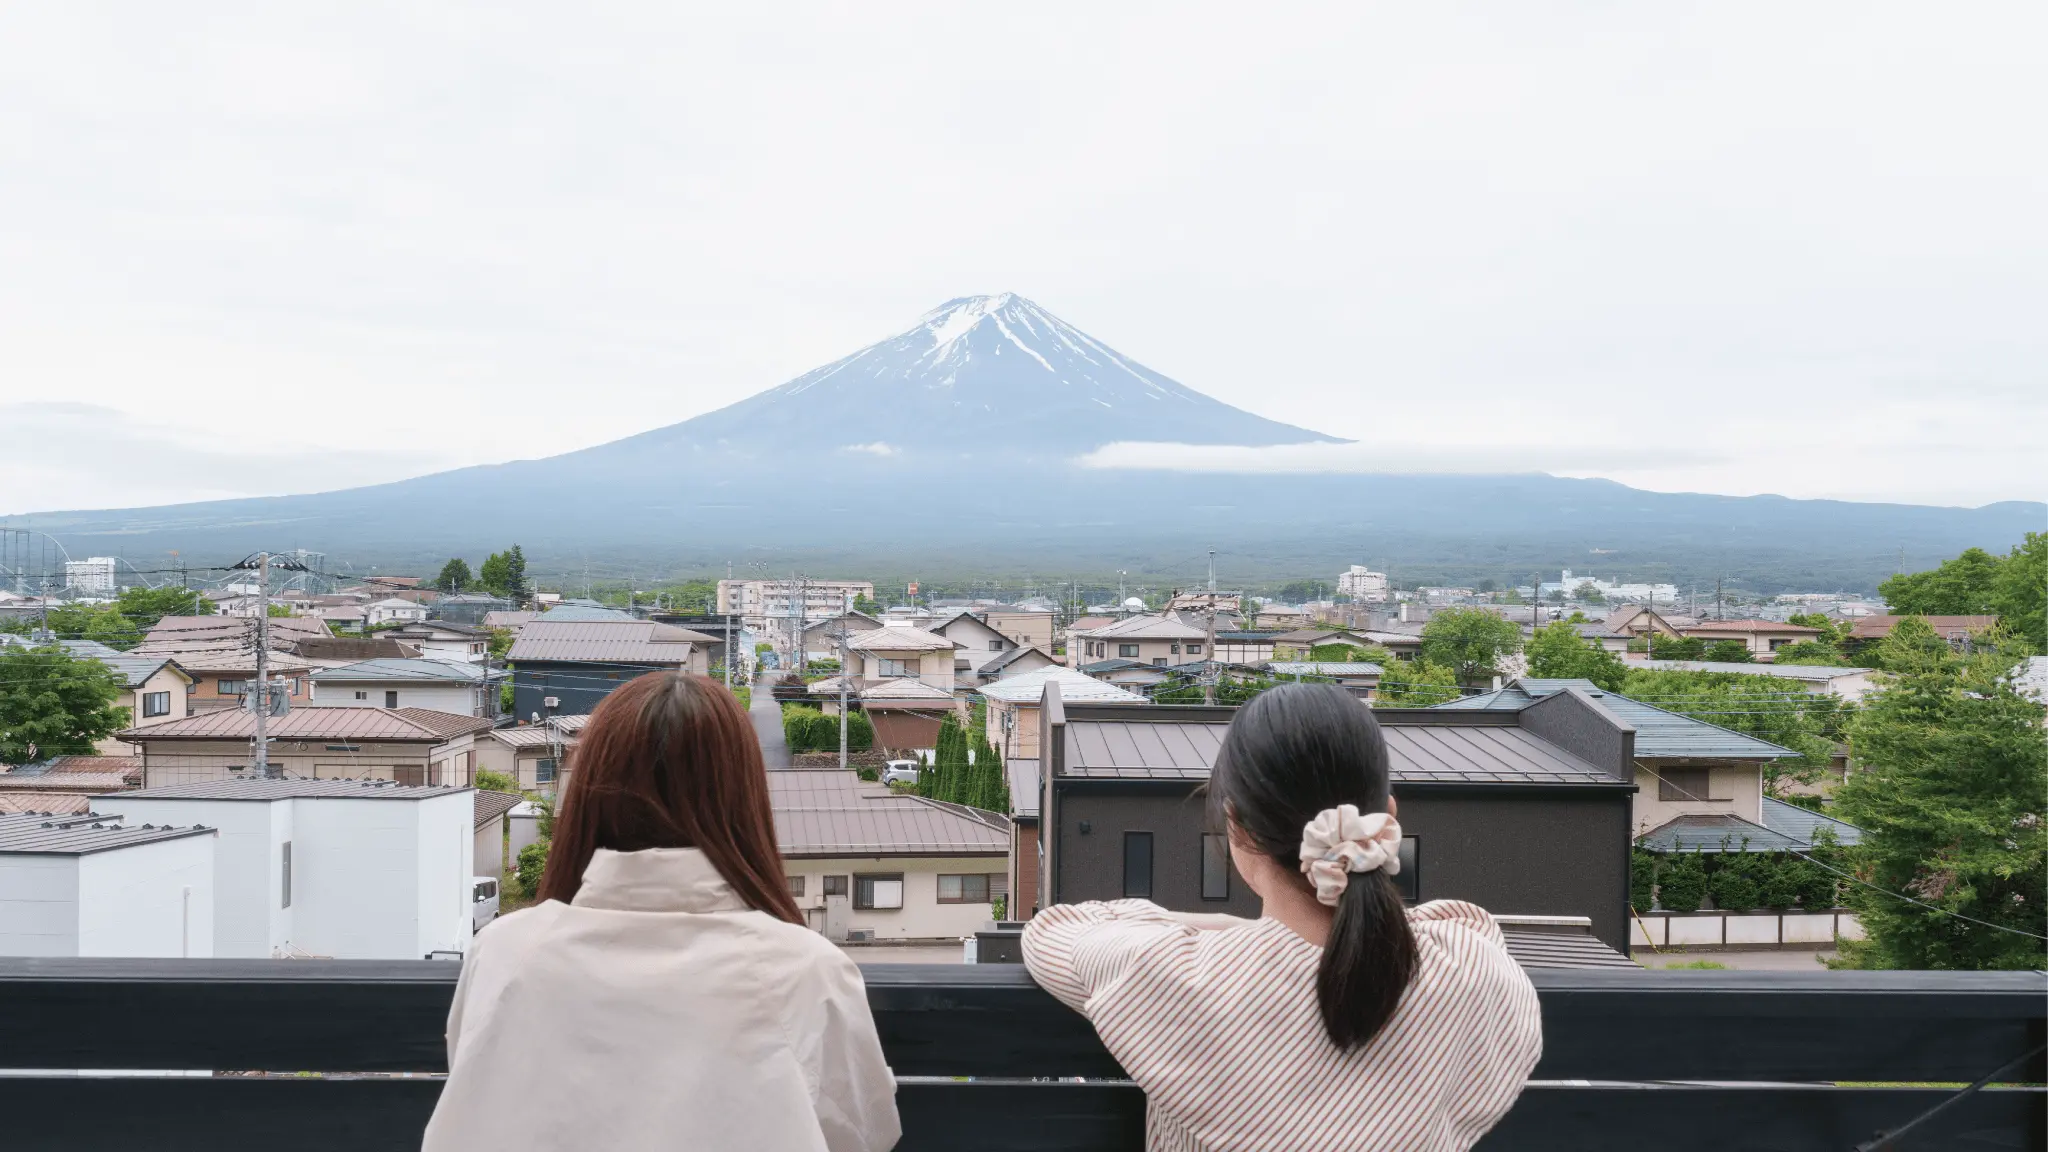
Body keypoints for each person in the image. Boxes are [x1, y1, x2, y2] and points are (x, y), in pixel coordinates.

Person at [1022, 682, 1541, 1151]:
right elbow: (1465, 926)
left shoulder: (1177, 975)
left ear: (1237, 826)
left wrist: (1223, 929)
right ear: (1385, 818)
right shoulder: (1469, 970)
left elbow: (1054, 930)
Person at [422, 672, 901, 1152]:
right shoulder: (805, 971)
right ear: (743, 800)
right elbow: (864, 1133)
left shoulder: (504, 953)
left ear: (590, 798)